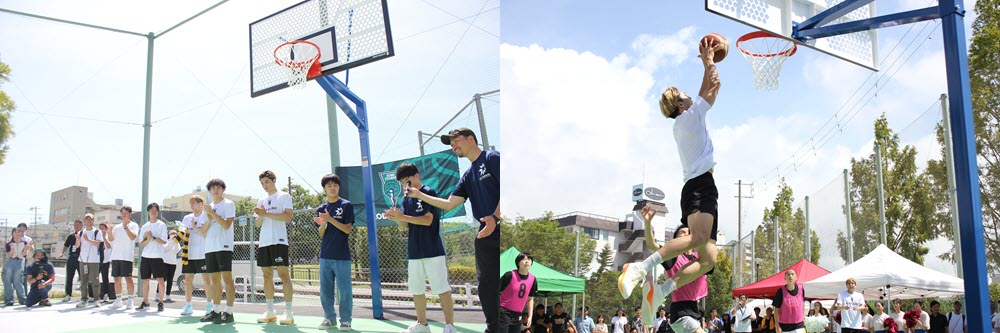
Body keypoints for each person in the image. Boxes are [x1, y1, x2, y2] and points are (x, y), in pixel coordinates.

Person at [618, 37, 723, 308]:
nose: (690, 94)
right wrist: (709, 60)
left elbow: (704, 90)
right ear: (680, 104)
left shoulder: (687, 118)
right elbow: (714, 86)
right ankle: (639, 269)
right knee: (697, 239)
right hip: (700, 186)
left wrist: (706, 63)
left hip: (698, 187)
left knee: (708, 260)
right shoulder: (690, 117)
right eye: (684, 94)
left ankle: (662, 292)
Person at [408, 127, 500, 331]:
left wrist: (495, 217)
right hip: (484, 234)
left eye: (456, 140)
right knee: (486, 285)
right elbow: (449, 204)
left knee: (508, 281)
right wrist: (419, 195)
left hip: (502, 230)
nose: (454, 146)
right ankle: (493, 327)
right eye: (451, 144)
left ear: (471, 139)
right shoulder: (468, 175)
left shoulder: (492, 158)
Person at [387, 166, 457, 333]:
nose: (406, 184)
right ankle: (422, 325)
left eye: (408, 180)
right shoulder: (405, 199)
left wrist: (404, 217)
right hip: (414, 252)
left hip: (432, 250)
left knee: (441, 288)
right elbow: (405, 224)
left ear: (417, 176)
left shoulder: (428, 192)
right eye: (403, 182)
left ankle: (449, 326)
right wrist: (397, 218)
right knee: (417, 289)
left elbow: (427, 220)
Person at [638, 208, 710, 333]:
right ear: (676, 239)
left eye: (689, 232)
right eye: (682, 232)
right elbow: (652, 245)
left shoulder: (698, 260)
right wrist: (648, 223)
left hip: (694, 311)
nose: (686, 234)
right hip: (681, 312)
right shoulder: (674, 258)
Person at [313, 174, 355, 331]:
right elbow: (321, 234)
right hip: (325, 256)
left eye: (335, 185)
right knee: (325, 290)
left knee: (344, 290)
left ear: (339, 187)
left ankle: (346, 320)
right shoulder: (321, 209)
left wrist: (330, 219)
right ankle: (329, 318)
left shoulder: (346, 205)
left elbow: (347, 229)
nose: (332, 188)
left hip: (342, 256)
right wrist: (323, 223)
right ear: (324, 188)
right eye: (329, 185)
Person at [254, 170, 296, 325]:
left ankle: (289, 312)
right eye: (262, 183)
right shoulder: (261, 200)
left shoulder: (284, 196)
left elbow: (288, 216)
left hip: (279, 241)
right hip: (264, 242)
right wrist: (259, 215)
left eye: (267, 182)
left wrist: (266, 213)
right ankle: (270, 311)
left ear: (274, 181)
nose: (265, 186)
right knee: (267, 276)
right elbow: (258, 224)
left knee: (284, 275)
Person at [202, 178, 237, 324]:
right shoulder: (208, 207)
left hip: (223, 246)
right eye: (212, 188)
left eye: (218, 187)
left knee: (227, 279)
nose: (215, 190)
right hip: (210, 247)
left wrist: (213, 214)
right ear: (209, 191)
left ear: (223, 189)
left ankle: (229, 312)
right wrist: (209, 218)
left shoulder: (228, 204)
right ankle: (215, 311)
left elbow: (226, 225)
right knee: (214, 280)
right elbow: (204, 231)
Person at [176, 197, 212, 316]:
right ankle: (188, 305)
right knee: (187, 280)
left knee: (206, 280)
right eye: (190, 203)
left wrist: (194, 227)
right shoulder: (187, 218)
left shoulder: (206, 216)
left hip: (202, 254)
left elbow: (205, 232)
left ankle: (209, 305)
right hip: (189, 254)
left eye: (194, 203)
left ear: (201, 204)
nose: (192, 205)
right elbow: (181, 233)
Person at [137, 203, 168, 311]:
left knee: (160, 280)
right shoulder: (144, 226)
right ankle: (145, 301)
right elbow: (141, 243)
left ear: (157, 212)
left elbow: (164, 241)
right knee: (145, 280)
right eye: (151, 210)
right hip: (146, 256)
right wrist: (148, 239)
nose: (153, 212)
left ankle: (160, 302)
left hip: (158, 256)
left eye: (155, 210)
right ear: (148, 212)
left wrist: (153, 237)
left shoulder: (162, 225)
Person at [108, 206, 139, 310]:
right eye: (123, 213)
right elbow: (111, 239)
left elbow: (133, 237)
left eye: (126, 213)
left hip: (126, 257)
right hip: (116, 256)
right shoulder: (116, 227)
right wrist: (109, 230)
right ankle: (118, 300)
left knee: (128, 278)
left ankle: (130, 300)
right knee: (117, 279)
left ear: (130, 214)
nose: (124, 215)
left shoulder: (134, 225)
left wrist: (126, 227)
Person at [499, 253, 539, 333]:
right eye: (524, 259)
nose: (527, 261)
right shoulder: (509, 275)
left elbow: (530, 299)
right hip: (503, 311)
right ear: (518, 263)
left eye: (529, 260)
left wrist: (530, 316)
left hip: (517, 314)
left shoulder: (533, 279)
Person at [76, 213, 104, 308]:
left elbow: (97, 244)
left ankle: (96, 299)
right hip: (83, 259)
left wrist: (88, 240)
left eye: (91, 219)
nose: (89, 221)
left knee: (95, 280)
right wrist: (78, 240)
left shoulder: (97, 232)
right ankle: (84, 299)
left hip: (94, 259)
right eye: (87, 219)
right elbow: (77, 246)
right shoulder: (81, 232)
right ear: (85, 221)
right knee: (83, 281)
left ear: (93, 220)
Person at [57, 219, 84, 302]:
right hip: (72, 257)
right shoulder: (71, 236)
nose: (76, 227)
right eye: (75, 225)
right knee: (69, 277)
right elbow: (66, 245)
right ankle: (68, 294)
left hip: (81, 258)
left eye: (78, 225)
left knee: (83, 277)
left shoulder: (84, 235)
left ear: (81, 226)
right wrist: (62, 253)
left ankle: (84, 295)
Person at [3, 227, 29, 306]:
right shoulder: (9, 244)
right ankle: (9, 300)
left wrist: (26, 248)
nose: (17, 234)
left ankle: (22, 299)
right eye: (15, 232)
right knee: (8, 280)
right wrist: (12, 249)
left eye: (19, 232)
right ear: (12, 234)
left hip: (20, 261)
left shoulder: (24, 242)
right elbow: (9, 255)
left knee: (18, 281)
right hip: (10, 262)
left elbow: (24, 254)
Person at [159, 229, 181, 302]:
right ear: (169, 234)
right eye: (172, 233)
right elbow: (166, 248)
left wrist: (176, 241)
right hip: (165, 262)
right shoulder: (166, 242)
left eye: (175, 233)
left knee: (170, 280)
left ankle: (168, 295)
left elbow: (177, 250)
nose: (173, 235)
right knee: (162, 279)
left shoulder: (176, 243)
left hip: (173, 263)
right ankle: (158, 293)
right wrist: (172, 241)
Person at [98, 222, 115, 304]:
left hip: (106, 261)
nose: (101, 230)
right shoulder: (96, 237)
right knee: (94, 278)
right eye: (100, 228)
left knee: (105, 278)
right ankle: (94, 295)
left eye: (103, 228)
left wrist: (104, 238)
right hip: (97, 261)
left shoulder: (109, 237)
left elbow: (109, 246)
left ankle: (106, 294)